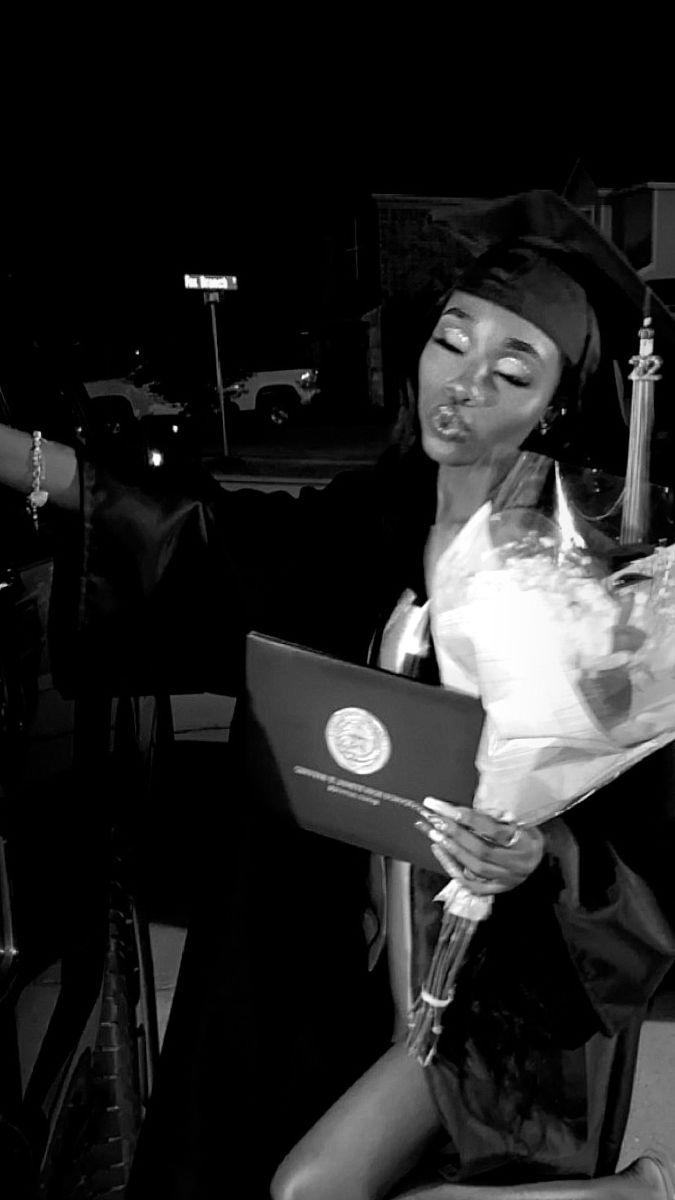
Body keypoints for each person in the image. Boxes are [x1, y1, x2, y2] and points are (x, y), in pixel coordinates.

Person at [1, 190, 675, 1200]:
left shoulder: (585, 578)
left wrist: (544, 853)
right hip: (330, 938)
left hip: (501, 973)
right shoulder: (366, 521)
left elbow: (638, 830)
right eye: (453, 342)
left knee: (318, 1187)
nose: (464, 387)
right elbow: (202, 548)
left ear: (560, 403)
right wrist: (21, 461)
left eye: (512, 371)